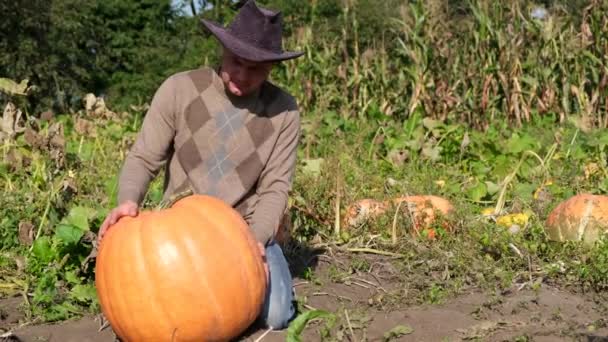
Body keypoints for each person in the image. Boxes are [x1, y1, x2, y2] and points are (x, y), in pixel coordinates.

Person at [97, 0, 304, 330]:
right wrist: (128, 200)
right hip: (181, 231)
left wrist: (252, 243)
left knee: (277, 315)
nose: (243, 76)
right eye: (237, 62)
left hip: (242, 228)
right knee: (164, 318)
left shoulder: (284, 112)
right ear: (223, 49)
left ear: (271, 68)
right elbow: (144, 157)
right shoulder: (180, 89)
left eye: (257, 69)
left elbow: (275, 188)